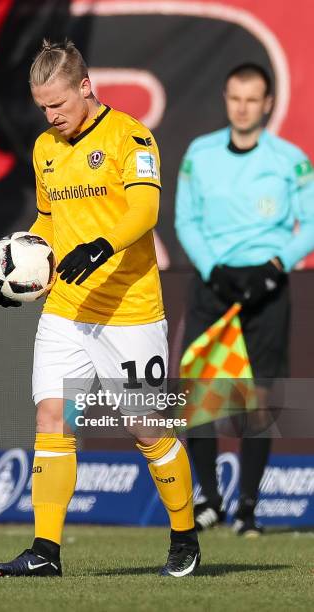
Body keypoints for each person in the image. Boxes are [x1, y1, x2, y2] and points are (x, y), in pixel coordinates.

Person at [0, 39, 200, 577]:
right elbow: (49, 223)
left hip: (129, 311)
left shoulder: (130, 136)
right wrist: (15, 272)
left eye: (58, 104)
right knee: (52, 418)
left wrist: (102, 245)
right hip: (65, 311)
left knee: (147, 428)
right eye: (43, 108)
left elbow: (146, 209)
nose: (52, 116)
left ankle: (185, 537)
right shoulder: (45, 149)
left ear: (85, 87)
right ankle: (45, 552)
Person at [175, 63, 314, 535]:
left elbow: (310, 224)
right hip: (213, 286)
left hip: (266, 290)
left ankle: (247, 510)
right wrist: (215, 269)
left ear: (268, 104)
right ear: (225, 97)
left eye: (252, 99)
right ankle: (208, 498)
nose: (242, 107)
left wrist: (275, 267)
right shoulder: (200, 154)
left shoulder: (290, 160)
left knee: (258, 398)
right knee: (200, 394)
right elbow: (185, 221)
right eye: (235, 97)